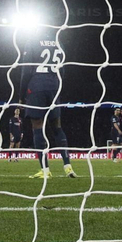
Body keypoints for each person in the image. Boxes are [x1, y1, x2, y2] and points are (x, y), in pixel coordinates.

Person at [19, 27, 77, 180]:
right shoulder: (58, 42)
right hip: (54, 84)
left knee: (37, 126)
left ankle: (45, 170)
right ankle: (68, 166)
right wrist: (56, 85)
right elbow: (63, 69)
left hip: (37, 84)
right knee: (57, 126)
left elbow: (26, 70)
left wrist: (21, 94)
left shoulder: (32, 41)